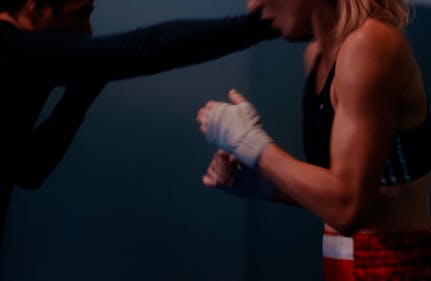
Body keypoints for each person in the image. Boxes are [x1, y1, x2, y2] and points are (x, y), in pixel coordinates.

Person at [196, 0, 431, 279]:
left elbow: (349, 208)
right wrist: (263, 185)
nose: (253, 5)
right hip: (340, 264)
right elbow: (340, 189)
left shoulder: (370, 44)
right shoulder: (317, 56)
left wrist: (252, 145)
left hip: (394, 266)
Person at [0, 0, 277, 250]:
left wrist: (88, 83)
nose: (87, 31)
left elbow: (28, 170)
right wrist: (264, 25)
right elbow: (147, 47)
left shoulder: (23, 60)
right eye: (80, 15)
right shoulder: (17, 49)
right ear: (36, 9)